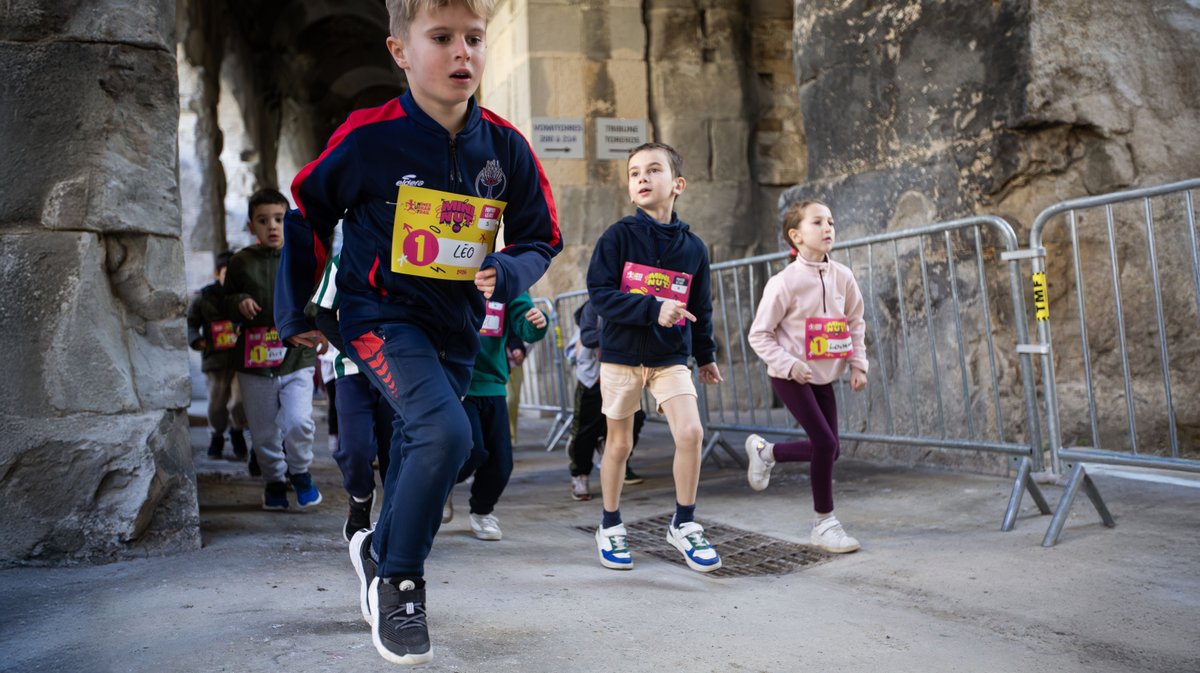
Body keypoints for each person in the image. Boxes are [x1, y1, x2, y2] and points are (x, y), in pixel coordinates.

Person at [277, 0, 560, 664]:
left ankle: (377, 544)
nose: (463, 52)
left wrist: (508, 268)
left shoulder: (505, 146)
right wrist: (297, 311)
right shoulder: (368, 137)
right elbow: (307, 208)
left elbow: (542, 236)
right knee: (447, 430)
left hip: (457, 326)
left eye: (475, 38)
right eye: (442, 37)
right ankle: (399, 578)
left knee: (436, 445)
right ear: (401, 51)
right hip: (377, 315)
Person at [585, 141, 723, 573]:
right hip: (622, 358)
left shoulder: (694, 249)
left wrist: (705, 354)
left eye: (653, 170)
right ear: (629, 189)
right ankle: (609, 524)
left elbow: (702, 307)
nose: (642, 178)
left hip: (670, 359)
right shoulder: (618, 237)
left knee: (691, 433)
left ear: (677, 184)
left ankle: (683, 523)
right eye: (634, 173)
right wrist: (651, 308)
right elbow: (600, 295)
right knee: (620, 444)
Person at [745, 199, 869, 554]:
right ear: (796, 236)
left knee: (831, 450)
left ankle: (766, 452)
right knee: (825, 445)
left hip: (825, 375)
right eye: (818, 222)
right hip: (791, 377)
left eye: (830, 221)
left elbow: (855, 322)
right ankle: (824, 524)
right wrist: (788, 364)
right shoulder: (784, 283)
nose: (828, 227)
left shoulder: (843, 276)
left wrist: (858, 364)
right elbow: (760, 334)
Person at [222, 188, 321, 511]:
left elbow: (317, 298)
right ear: (251, 226)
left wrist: (319, 326)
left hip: (297, 357)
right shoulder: (240, 263)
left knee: (298, 421)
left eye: (279, 219)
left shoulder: (302, 256)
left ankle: (301, 472)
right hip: (254, 362)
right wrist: (238, 302)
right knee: (264, 431)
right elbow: (220, 302)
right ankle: (274, 481)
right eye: (263, 221)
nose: (272, 226)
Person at [307, 242, 395, 542]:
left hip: (399, 372)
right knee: (355, 449)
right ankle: (360, 499)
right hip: (352, 372)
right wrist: (356, 351)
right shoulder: (342, 261)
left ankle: (395, 520)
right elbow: (323, 314)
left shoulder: (411, 253)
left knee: (395, 452)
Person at [453, 292, 547, 540]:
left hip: (494, 382)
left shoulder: (506, 274)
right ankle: (441, 488)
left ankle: (482, 512)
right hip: (457, 381)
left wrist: (535, 323)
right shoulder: (453, 267)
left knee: (502, 462)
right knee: (469, 451)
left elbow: (523, 321)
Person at [564, 299, 645, 501]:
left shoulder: (632, 301)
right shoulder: (594, 306)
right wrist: (621, 335)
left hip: (622, 377)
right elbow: (589, 336)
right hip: (594, 379)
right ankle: (580, 474)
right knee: (585, 429)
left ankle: (616, 459)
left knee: (635, 419)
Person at [187, 250, 249, 461]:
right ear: (217, 273)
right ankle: (216, 437)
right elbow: (191, 322)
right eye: (226, 273)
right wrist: (196, 340)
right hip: (215, 359)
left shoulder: (245, 297)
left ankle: (237, 432)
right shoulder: (204, 298)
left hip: (241, 358)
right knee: (216, 401)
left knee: (239, 400)